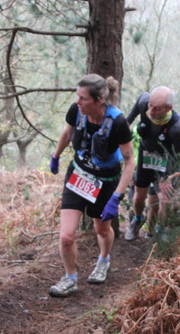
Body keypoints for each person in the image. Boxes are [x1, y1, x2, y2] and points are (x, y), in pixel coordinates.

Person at [48, 74, 135, 297]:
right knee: (66, 235)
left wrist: (116, 197)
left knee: (102, 229)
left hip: (105, 182)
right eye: (77, 96)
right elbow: (68, 133)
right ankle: (70, 278)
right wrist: (56, 156)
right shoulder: (76, 111)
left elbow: (129, 162)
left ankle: (104, 260)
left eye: (83, 98)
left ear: (99, 100)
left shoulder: (118, 123)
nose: (78, 102)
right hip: (78, 176)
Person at [124, 86, 180, 241]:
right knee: (139, 197)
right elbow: (127, 121)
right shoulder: (144, 102)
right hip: (146, 155)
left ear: (168, 108)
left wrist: (171, 178)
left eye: (157, 108)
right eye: (150, 105)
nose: (151, 111)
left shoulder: (176, 128)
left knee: (165, 200)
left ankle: (161, 228)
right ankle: (137, 219)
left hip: (165, 162)